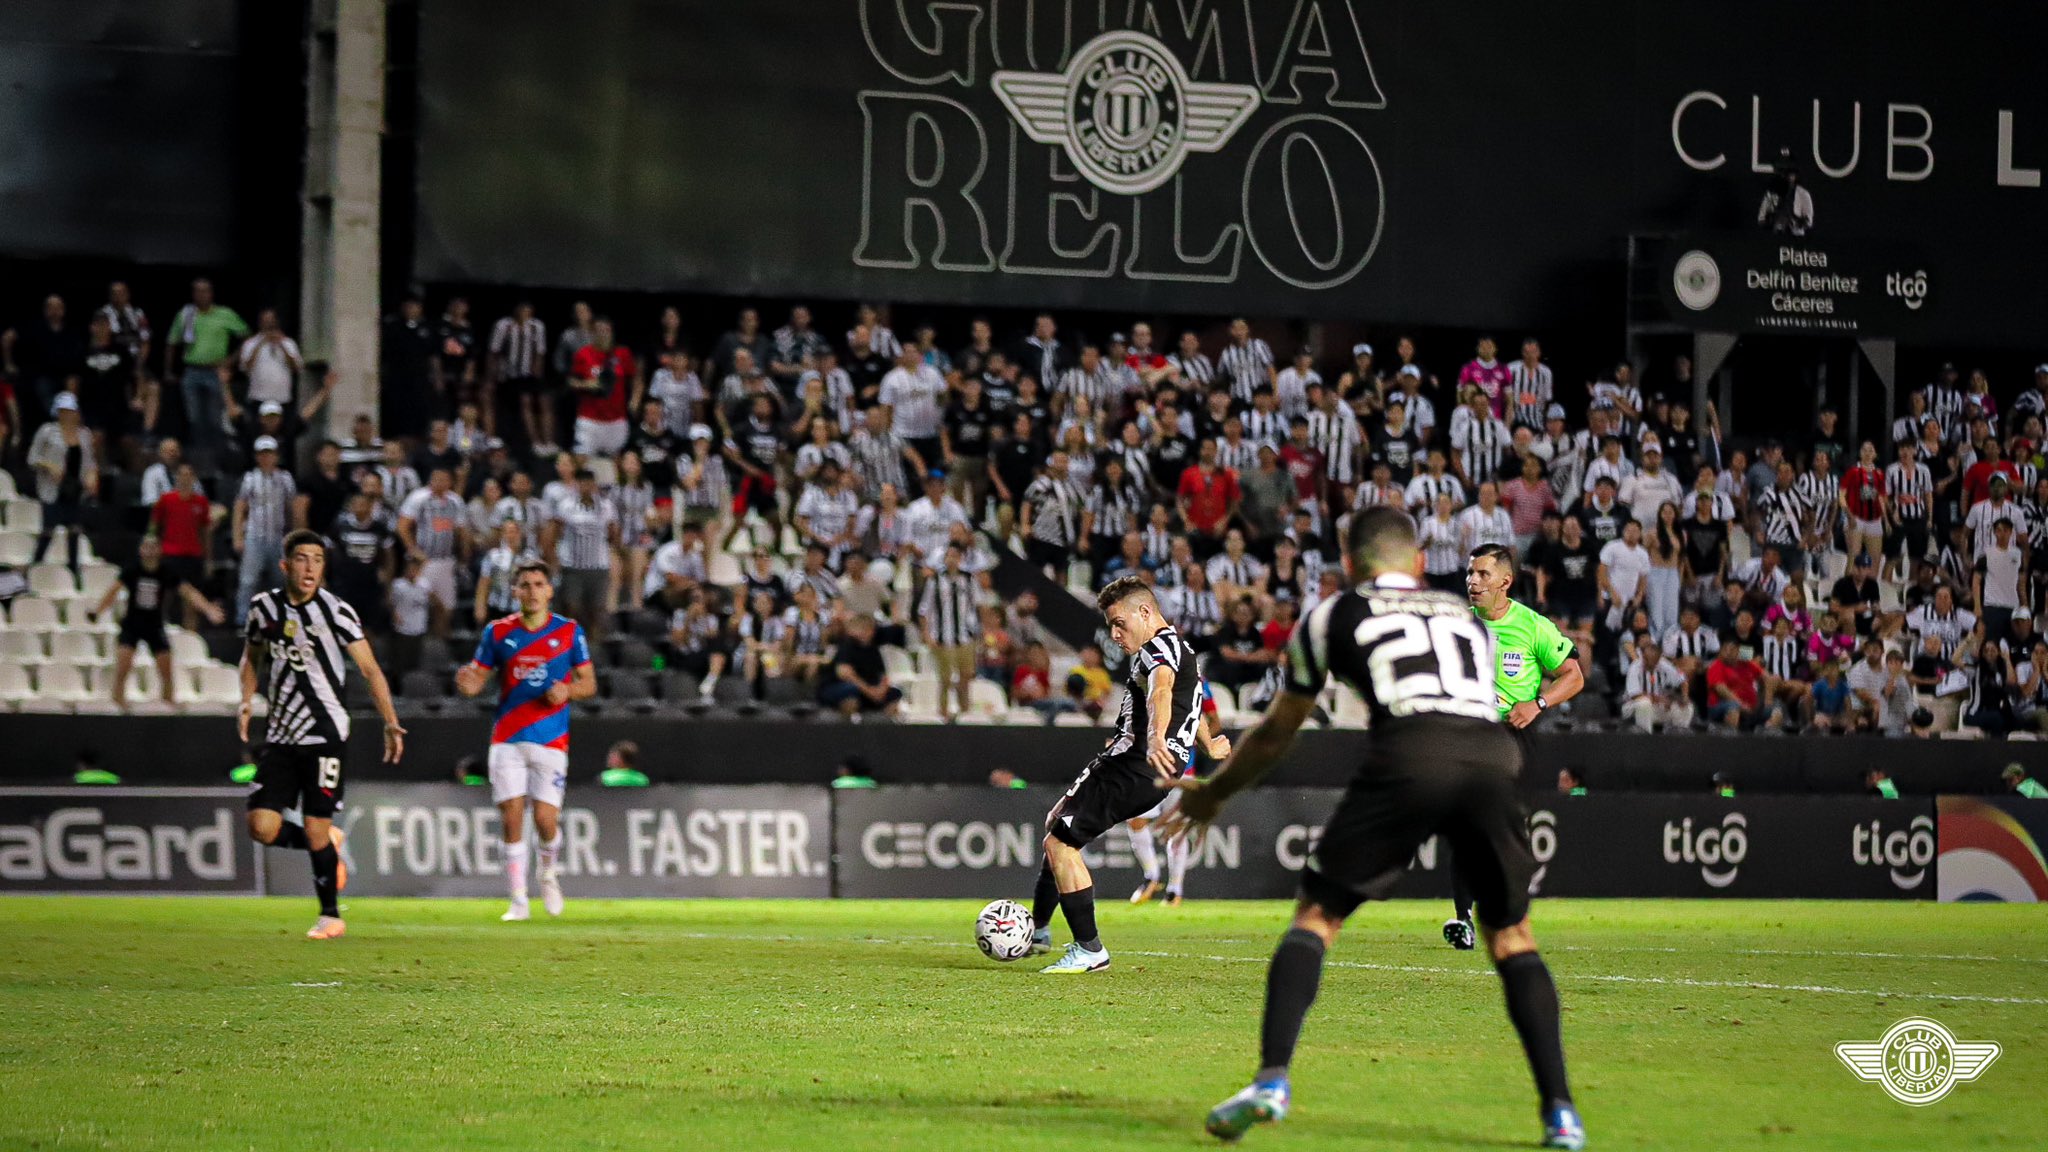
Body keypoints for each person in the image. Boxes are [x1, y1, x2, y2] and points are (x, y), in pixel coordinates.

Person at [1160, 508, 1582, 1150]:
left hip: (1409, 753)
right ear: (1420, 562)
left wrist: (1214, 793)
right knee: (1513, 937)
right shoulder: (1463, 615)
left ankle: (1271, 1082)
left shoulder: (1332, 614)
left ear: (1350, 563)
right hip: (1495, 757)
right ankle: (1562, 1115)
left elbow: (1276, 732)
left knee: (1316, 918)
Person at [1024, 576, 1199, 975]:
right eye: (1111, 626)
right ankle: (1040, 930)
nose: (1115, 635)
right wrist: (1208, 741)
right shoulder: (1179, 648)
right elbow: (1188, 702)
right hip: (1144, 766)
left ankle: (1089, 949)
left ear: (1145, 612)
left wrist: (1155, 737)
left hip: (1132, 765)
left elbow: (1162, 692)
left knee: (1060, 843)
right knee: (1057, 825)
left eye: (1120, 623)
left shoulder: (1157, 651)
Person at [240, 530, 405, 941]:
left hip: (325, 734)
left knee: (315, 826)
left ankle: (330, 915)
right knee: (261, 826)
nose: (310, 567)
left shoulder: (336, 611)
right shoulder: (263, 608)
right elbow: (251, 656)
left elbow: (369, 669)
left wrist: (389, 721)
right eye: (302, 558)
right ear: (285, 565)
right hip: (280, 736)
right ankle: (327, 842)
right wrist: (245, 700)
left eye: (317, 559)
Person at [1451, 543, 1584, 950]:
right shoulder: (1457, 624)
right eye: (1470, 573)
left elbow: (1573, 675)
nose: (1473, 582)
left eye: (1483, 574)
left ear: (1505, 581)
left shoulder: (1532, 626)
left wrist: (1538, 703)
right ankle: (1463, 920)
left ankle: (1505, 910)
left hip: (1512, 733)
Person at [455, 563, 597, 921]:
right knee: (511, 815)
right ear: (515, 591)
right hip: (508, 737)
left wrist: (567, 690)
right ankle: (518, 899)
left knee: (546, 820)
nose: (532, 591)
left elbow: (589, 683)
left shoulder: (568, 631)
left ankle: (548, 874)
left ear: (549, 590)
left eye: (538, 584)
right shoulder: (498, 632)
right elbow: (478, 678)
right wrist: (469, 685)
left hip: (551, 738)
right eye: (525, 585)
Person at [87, 535, 226, 709]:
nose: (150, 551)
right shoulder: (132, 570)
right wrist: (98, 611)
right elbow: (113, 591)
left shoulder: (165, 572)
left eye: (153, 547)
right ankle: (118, 701)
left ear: (159, 550)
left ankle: (168, 702)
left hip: (154, 624)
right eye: (146, 547)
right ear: (140, 550)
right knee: (123, 666)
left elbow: (188, 592)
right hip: (132, 624)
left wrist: (208, 609)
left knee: (166, 668)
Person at [1127, 680, 1230, 907]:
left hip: (1183, 770)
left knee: (1177, 829)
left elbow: (1214, 721)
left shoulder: (1198, 684)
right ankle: (1151, 875)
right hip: (1151, 765)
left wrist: (1197, 739)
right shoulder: (1152, 676)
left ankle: (1174, 890)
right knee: (1135, 819)